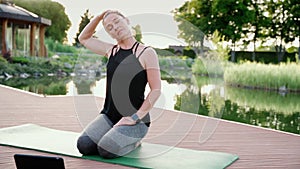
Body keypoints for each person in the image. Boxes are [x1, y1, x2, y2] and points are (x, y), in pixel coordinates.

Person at [76, 10, 161, 158]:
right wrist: (99, 17)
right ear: (110, 34)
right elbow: (83, 38)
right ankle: (114, 135)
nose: (114, 27)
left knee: (106, 149)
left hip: (136, 120)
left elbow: (156, 90)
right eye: (109, 27)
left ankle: (135, 141)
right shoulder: (111, 51)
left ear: (126, 21)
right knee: (84, 145)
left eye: (117, 21)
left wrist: (134, 117)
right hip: (109, 116)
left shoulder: (146, 53)